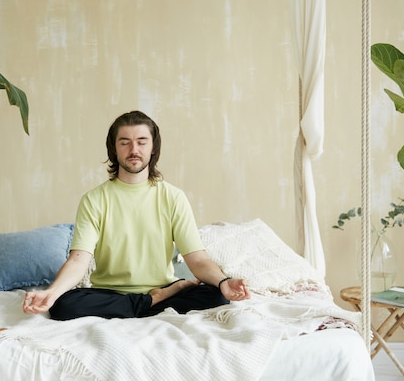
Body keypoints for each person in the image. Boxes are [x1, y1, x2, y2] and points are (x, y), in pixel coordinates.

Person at [23, 110, 250, 320]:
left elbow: (197, 259)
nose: (134, 150)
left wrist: (223, 282)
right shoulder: (94, 200)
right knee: (63, 305)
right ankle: (152, 301)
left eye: (142, 142)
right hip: (110, 292)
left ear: (153, 148)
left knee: (217, 296)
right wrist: (51, 293)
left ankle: (152, 298)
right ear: (114, 148)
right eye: (125, 142)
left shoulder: (173, 197)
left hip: (162, 289)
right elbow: (78, 260)